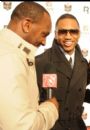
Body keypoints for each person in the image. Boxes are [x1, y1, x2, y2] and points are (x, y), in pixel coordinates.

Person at [0, 2, 59, 130]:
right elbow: (20, 126)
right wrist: (51, 108)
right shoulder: (9, 58)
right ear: (27, 25)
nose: (44, 42)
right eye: (44, 34)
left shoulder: (12, 52)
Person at [35, 13, 88, 130]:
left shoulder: (84, 63)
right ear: (55, 34)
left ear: (79, 34)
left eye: (73, 32)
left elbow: (79, 92)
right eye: (63, 32)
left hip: (77, 126)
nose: (68, 36)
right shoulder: (40, 62)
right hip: (51, 126)